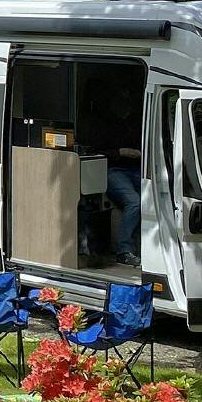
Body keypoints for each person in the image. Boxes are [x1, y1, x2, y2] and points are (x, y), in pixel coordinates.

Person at [77, 70, 142, 266]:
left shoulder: (136, 120)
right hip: (112, 170)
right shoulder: (99, 123)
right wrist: (121, 152)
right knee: (135, 202)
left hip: (137, 169)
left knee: (160, 198)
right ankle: (124, 250)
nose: (125, 101)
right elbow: (93, 151)